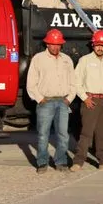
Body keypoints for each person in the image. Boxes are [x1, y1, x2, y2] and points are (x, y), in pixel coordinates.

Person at [26, 29, 76, 173]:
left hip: (63, 101)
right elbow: (31, 83)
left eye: (58, 44)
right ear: (47, 44)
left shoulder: (67, 59)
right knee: (43, 134)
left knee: (63, 135)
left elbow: (73, 81)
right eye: (53, 44)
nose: (56, 47)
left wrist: (69, 99)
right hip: (45, 102)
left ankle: (60, 161)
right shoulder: (38, 59)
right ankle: (42, 162)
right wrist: (40, 99)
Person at [72, 30, 103, 171]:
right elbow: (76, 81)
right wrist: (84, 98)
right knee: (86, 133)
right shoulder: (84, 60)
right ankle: (78, 161)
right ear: (93, 45)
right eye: (97, 44)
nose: (100, 48)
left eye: (102, 45)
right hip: (90, 100)